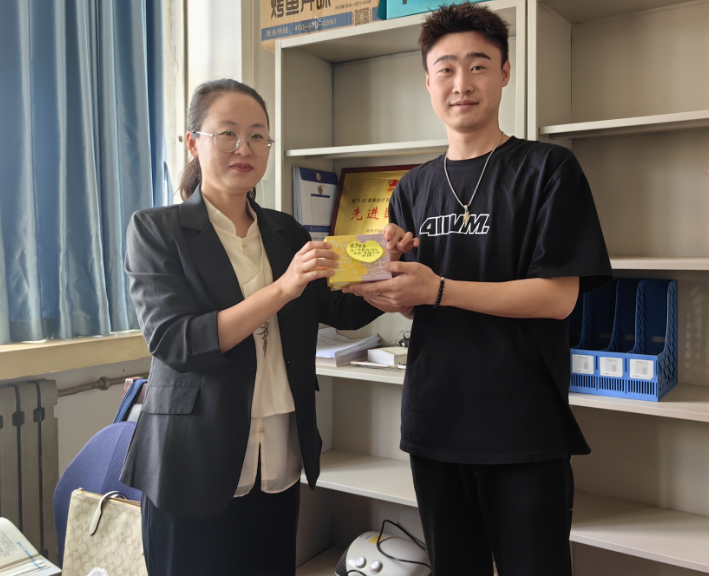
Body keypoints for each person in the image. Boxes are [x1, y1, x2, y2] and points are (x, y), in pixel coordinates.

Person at [343, 4, 613, 575]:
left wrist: (438, 289)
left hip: (523, 422)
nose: (461, 83)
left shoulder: (548, 169)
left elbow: (557, 298)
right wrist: (388, 282)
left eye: (478, 65)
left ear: (505, 72)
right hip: (435, 420)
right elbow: (418, 307)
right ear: (427, 81)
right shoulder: (413, 187)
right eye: (445, 69)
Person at [120, 79, 417, 576]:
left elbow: (336, 309)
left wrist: (385, 268)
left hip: (277, 453)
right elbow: (176, 341)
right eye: (228, 134)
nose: (245, 148)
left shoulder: (285, 231)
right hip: (193, 461)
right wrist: (282, 288)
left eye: (258, 135)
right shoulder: (156, 229)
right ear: (193, 142)